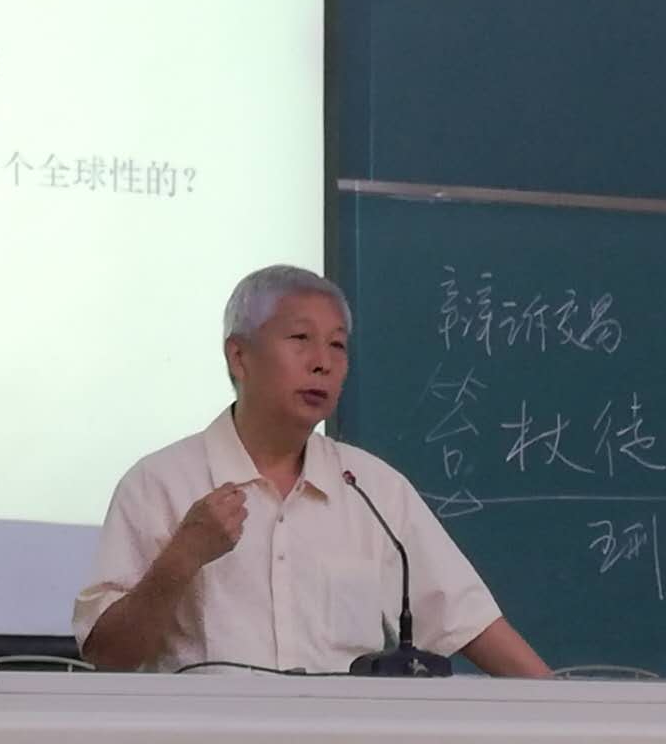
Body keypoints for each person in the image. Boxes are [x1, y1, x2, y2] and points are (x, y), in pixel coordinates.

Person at [73, 264, 549, 676]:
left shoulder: (373, 489)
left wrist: (568, 716)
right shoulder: (160, 483)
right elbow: (108, 656)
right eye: (300, 339)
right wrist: (180, 561)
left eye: (337, 346)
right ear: (239, 356)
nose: (323, 363)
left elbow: (468, 621)